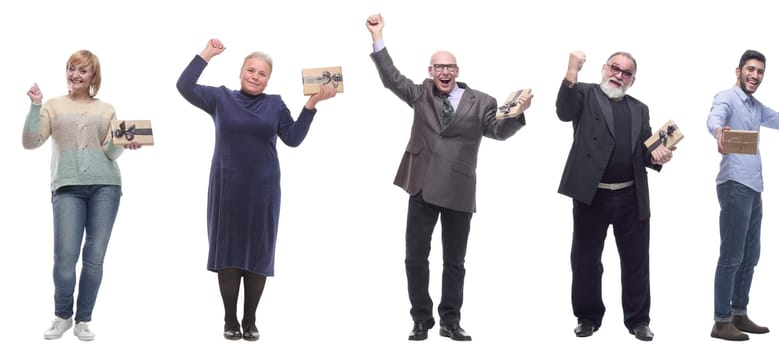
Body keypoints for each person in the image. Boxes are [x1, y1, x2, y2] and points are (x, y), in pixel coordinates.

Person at [365, 14, 532, 342]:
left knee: (454, 261)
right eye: (438, 67)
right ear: (430, 72)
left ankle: (450, 321)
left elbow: (497, 132)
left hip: (458, 188)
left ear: (458, 71)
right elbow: (390, 78)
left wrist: (517, 113)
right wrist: (378, 36)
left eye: (450, 67)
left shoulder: (482, 101)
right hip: (422, 185)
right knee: (415, 256)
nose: (444, 72)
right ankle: (421, 319)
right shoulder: (420, 93)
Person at [176, 39, 336, 342]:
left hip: (263, 190)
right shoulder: (220, 98)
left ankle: (250, 319)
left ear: (268, 79)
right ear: (241, 72)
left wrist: (311, 105)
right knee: (228, 252)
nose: (255, 76)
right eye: (250, 70)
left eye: (262, 74)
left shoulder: (275, 104)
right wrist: (206, 54)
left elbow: (293, 138)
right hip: (226, 188)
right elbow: (184, 86)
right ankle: (229, 318)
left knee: (258, 252)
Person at [22, 50, 142, 341]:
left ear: (93, 77)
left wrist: (125, 143)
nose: (75, 75)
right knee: (64, 258)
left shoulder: (106, 109)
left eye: (83, 71)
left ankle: (83, 320)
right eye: (72, 68)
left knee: (94, 258)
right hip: (66, 187)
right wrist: (36, 106)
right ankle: (63, 315)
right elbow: (30, 142)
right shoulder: (52, 105)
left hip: (106, 187)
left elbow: (109, 151)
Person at [555, 50, 674, 342]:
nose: (618, 76)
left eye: (626, 73)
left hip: (630, 196)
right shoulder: (584, 94)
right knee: (585, 260)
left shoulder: (640, 109)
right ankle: (587, 317)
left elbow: (645, 152)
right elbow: (563, 111)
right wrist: (572, 70)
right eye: (615, 69)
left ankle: (638, 320)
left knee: (636, 261)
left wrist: (658, 155)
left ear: (632, 80)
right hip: (591, 195)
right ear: (604, 68)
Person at [707, 50, 779, 341]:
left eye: (760, 71)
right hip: (734, 185)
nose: (755, 75)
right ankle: (721, 321)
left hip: (754, 187)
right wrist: (719, 132)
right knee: (732, 255)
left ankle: (739, 313)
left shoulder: (756, 106)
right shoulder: (726, 96)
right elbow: (714, 118)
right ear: (738, 71)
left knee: (750, 255)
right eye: (750, 69)